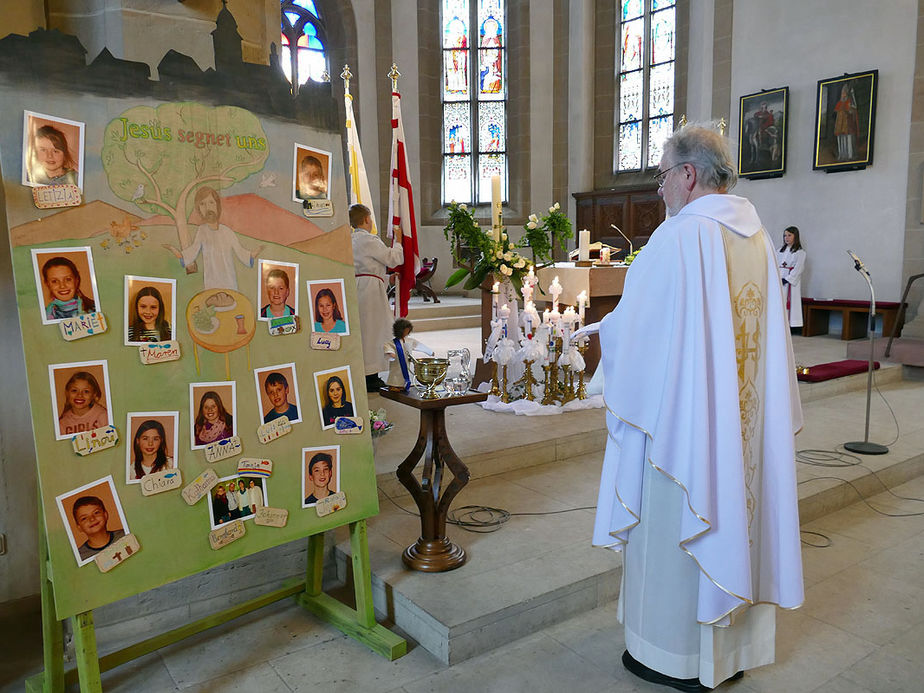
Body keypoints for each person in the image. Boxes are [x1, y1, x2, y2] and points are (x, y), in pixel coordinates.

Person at [591, 124, 803, 691]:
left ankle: (672, 655)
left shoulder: (680, 237)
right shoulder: (756, 238)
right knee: (738, 512)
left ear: (687, 174)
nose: (660, 189)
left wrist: (602, 336)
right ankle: (729, 654)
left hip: (682, 436)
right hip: (742, 427)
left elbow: (639, 333)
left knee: (677, 529)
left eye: (662, 176)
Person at [163, 186, 263, 290]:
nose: (207, 208)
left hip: (229, 280)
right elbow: (193, 250)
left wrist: (252, 255)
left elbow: (240, 251)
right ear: (199, 209)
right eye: (202, 204)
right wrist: (178, 254)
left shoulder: (227, 231)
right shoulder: (202, 231)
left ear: (217, 205)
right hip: (211, 281)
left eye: (211, 202)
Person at [351, 203, 403, 391]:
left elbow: (367, 266)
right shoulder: (368, 240)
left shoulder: (350, 239)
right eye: (370, 218)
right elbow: (393, 258)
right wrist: (398, 241)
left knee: (365, 332)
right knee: (374, 333)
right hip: (370, 291)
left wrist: (387, 278)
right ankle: (370, 377)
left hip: (357, 287)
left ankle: (366, 374)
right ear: (366, 219)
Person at [384, 317, 433, 391]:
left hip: (407, 361)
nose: (407, 332)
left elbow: (419, 345)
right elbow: (388, 347)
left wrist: (429, 351)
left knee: (405, 373)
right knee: (395, 372)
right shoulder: (392, 343)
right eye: (405, 330)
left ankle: (401, 385)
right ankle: (393, 385)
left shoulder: (410, 341)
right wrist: (391, 353)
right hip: (397, 362)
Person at [72, 496, 125, 561]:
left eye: (96, 513)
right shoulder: (80, 556)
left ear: (105, 515)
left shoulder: (124, 535)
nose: (92, 519)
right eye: (84, 518)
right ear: (79, 527)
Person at [58, 371, 108, 437]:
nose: (79, 395)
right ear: (67, 393)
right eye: (74, 390)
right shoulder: (62, 423)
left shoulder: (103, 416)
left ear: (94, 395)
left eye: (86, 391)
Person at [778, 226, 806, 329]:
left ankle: (788, 326)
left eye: (789, 235)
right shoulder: (779, 251)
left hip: (789, 282)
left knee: (788, 303)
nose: (787, 238)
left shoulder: (800, 253)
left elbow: (799, 268)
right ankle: (779, 324)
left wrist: (787, 279)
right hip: (779, 280)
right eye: (785, 235)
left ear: (796, 236)